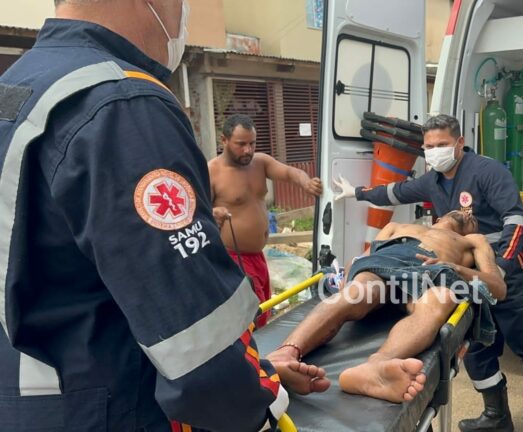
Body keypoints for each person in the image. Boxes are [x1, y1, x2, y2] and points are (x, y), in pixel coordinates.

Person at [0, 1, 329, 431]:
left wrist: (260, 367)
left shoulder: (19, 88)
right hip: (105, 408)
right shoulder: (122, 103)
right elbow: (199, 350)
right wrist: (259, 402)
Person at [334, 114, 523, 431]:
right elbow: (396, 191)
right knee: (476, 348)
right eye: (429, 146)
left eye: (442, 144)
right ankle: (497, 419)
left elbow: (518, 222)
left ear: (459, 143)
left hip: (509, 270)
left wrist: (499, 267)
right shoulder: (433, 179)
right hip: (466, 275)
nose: (434, 151)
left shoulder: (487, 171)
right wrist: (357, 193)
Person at [266, 210, 505, 403]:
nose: (468, 213)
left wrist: (457, 269)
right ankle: (286, 353)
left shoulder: (473, 240)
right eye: (462, 210)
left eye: (473, 218)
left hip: (434, 272)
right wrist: (348, 278)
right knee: (355, 294)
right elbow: (362, 258)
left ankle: (375, 367)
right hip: (385, 262)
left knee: (441, 299)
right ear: (438, 217)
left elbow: (498, 287)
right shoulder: (397, 226)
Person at [208, 114, 322, 328]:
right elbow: (197, 213)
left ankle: (261, 357)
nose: (248, 150)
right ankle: (253, 357)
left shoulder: (260, 163)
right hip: (234, 258)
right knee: (251, 315)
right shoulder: (212, 172)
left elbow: (289, 172)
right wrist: (214, 212)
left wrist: (306, 182)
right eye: (241, 144)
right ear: (223, 140)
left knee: (264, 311)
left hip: (259, 257)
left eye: (252, 143)